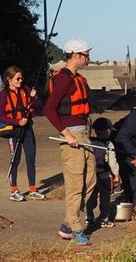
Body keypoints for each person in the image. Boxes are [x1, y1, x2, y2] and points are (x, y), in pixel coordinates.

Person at [44, 38, 96, 246]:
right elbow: (49, 109)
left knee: (90, 180)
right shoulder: (64, 79)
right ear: (75, 55)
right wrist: (66, 134)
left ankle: (67, 224)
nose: (88, 58)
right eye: (85, 55)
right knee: (75, 184)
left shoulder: (78, 78)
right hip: (72, 137)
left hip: (84, 134)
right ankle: (76, 229)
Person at [0, 66, 45, 202]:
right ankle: (14, 191)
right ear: (9, 79)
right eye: (17, 78)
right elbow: (0, 116)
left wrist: (34, 98)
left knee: (31, 158)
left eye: (21, 78)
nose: (20, 80)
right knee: (15, 160)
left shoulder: (25, 89)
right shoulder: (4, 94)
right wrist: (17, 122)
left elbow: (38, 105)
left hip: (28, 128)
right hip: (13, 129)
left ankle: (33, 190)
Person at [86, 117, 120, 228]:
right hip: (104, 175)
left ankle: (89, 217)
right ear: (106, 131)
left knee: (91, 196)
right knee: (105, 197)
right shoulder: (108, 144)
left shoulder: (89, 142)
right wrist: (116, 175)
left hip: (90, 174)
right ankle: (104, 218)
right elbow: (112, 162)